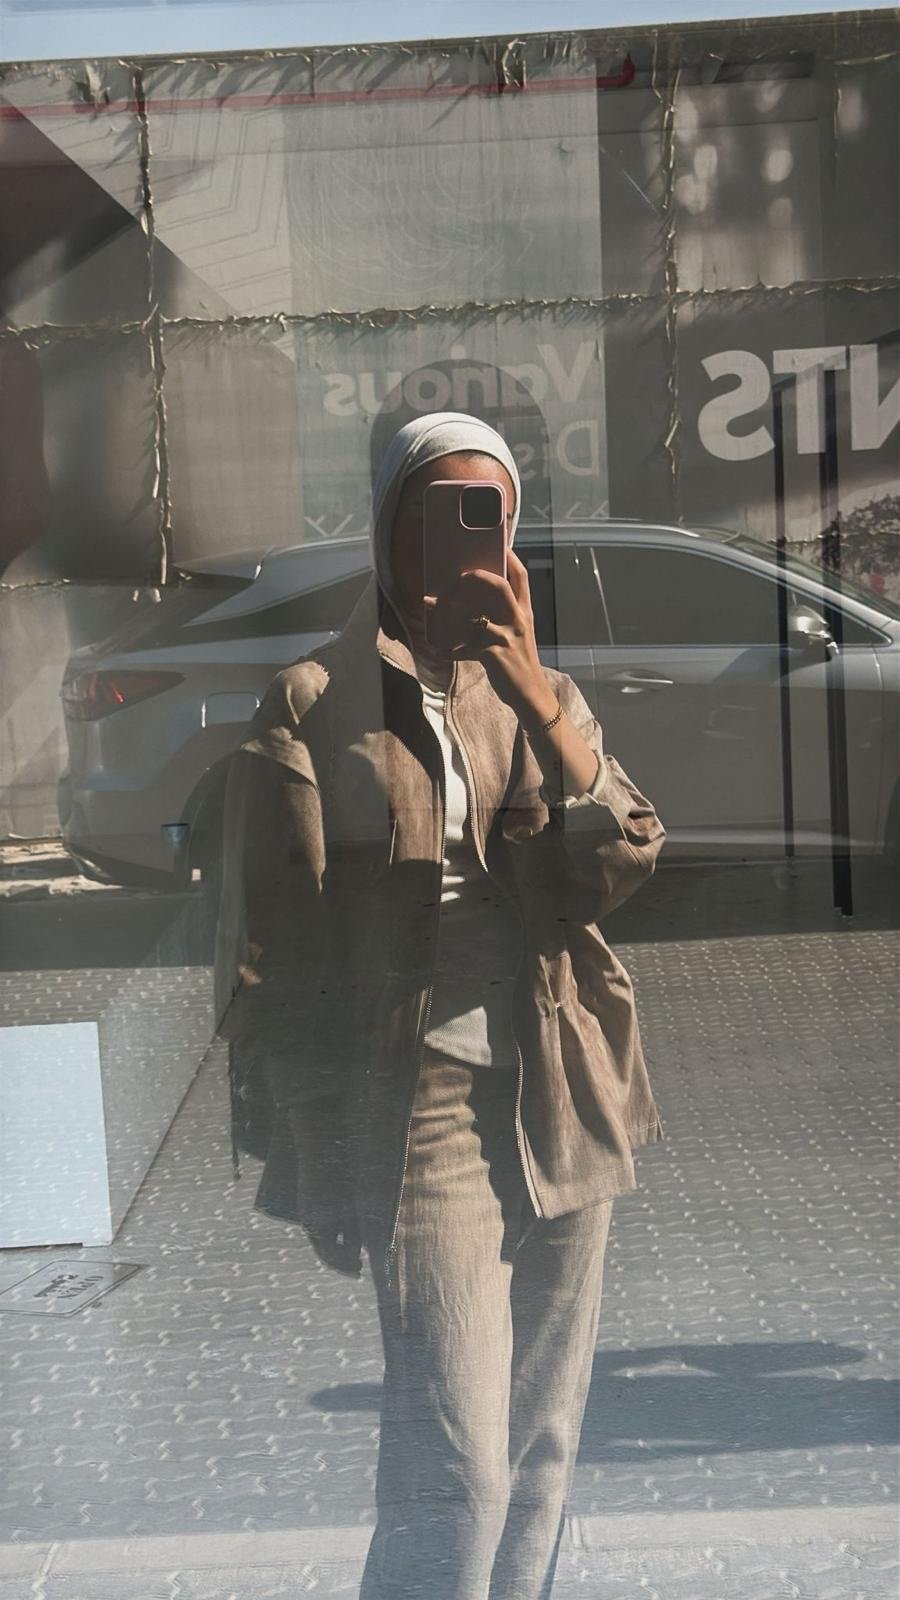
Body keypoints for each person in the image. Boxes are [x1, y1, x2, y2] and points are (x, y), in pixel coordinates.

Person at [216, 412, 666, 1600]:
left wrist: (528, 683)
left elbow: (622, 856)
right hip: (417, 1107)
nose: (463, 539)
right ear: (387, 526)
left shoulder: (545, 692)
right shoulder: (310, 699)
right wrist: (314, 1150)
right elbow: (275, 956)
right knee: (455, 1467)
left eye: (489, 515)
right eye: (436, 513)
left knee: (542, 1452)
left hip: (565, 1088)